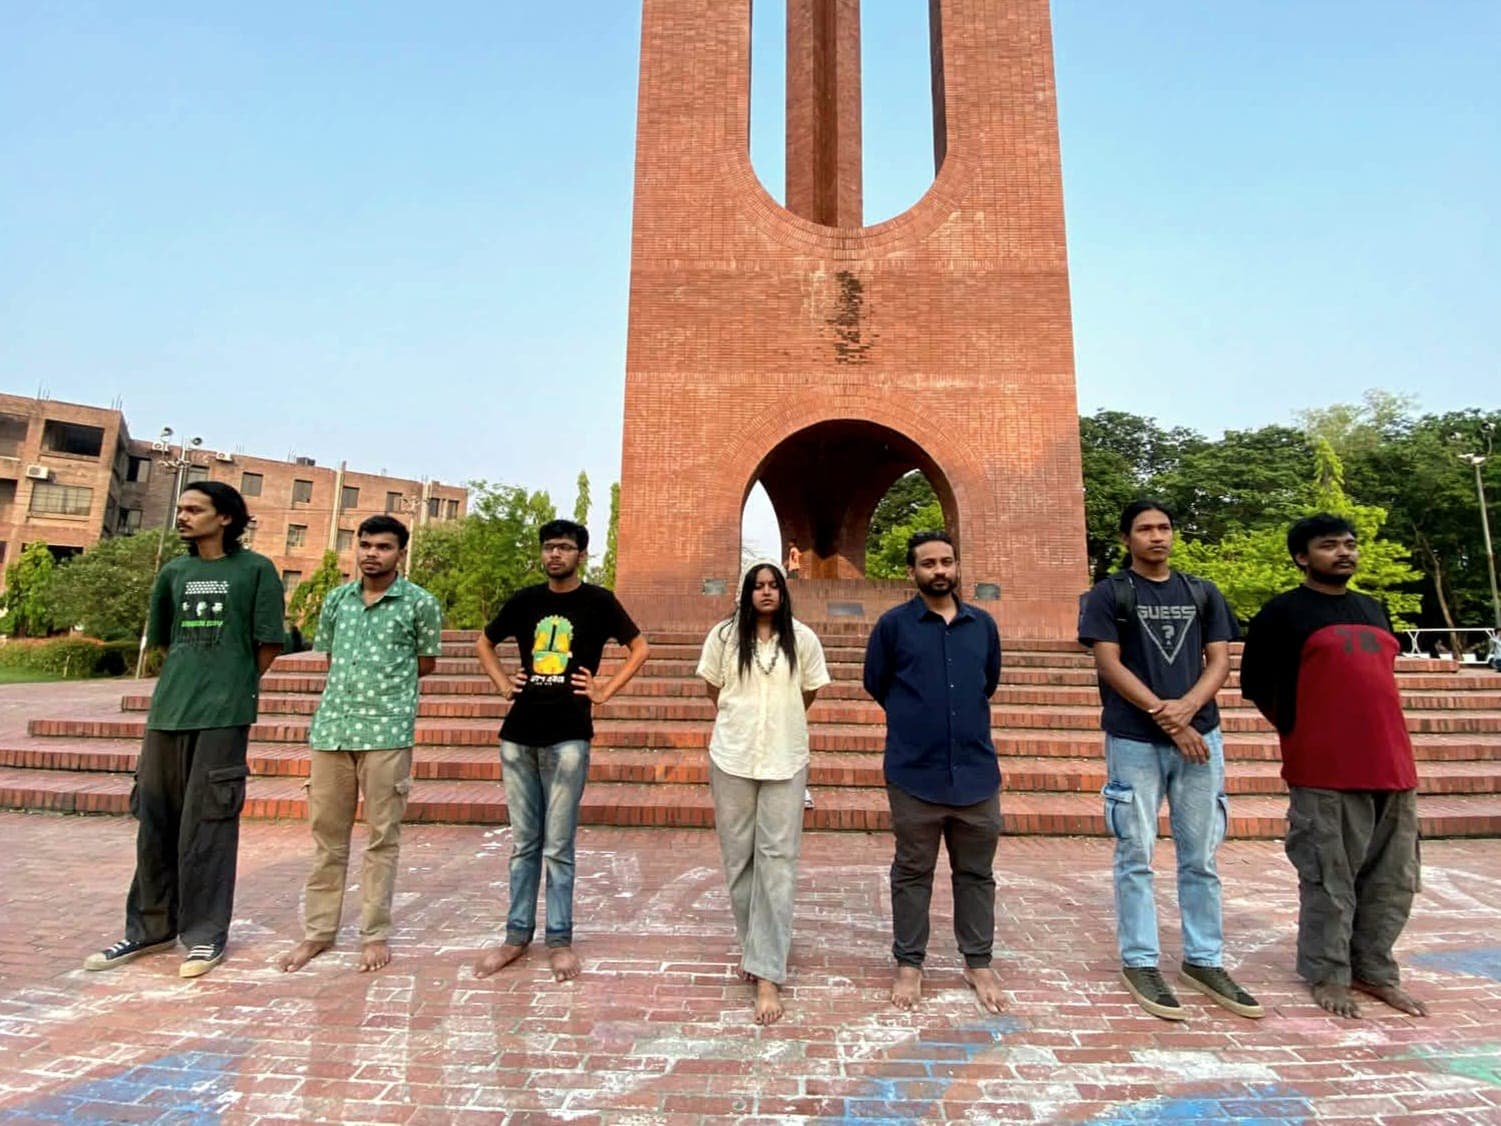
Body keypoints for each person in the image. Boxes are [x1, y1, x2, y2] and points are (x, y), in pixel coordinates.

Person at [84, 481, 284, 978]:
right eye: (181, 509)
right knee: (154, 822)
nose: (183, 516)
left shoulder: (256, 570)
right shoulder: (173, 572)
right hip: (167, 715)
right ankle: (149, 929)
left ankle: (203, 935)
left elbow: (267, 645)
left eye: (195, 509)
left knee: (208, 827)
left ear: (226, 518)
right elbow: (166, 642)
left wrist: (229, 687)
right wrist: (189, 684)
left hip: (223, 717)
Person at [1077, 499, 1261, 1021]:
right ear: (1126, 539)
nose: (1156, 537)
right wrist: (1167, 716)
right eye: (1144, 529)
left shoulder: (1201, 591)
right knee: (1135, 853)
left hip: (1201, 737)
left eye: (1163, 528)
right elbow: (1108, 663)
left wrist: (1189, 711)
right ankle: (1140, 959)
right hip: (1135, 740)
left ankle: (1204, 958)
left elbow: (1220, 659)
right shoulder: (1109, 594)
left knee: (1200, 855)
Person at [1240, 513, 1428, 1019]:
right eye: (1329, 546)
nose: (1344, 553)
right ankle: (1328, 973)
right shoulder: (1282, 613)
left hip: (1392, 766)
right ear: (1303, 556)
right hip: (1325, 770)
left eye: (1349, 544)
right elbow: (1257, 683)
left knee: (1393, 880)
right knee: (1329, 878)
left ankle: (1375, 970)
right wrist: (1304, 733)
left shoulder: (1374, 609)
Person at [471, 519, 650, 982]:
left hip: (569, 732)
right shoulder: (526, 600)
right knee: (523, 843)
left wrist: (605, 688)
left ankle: (559, 940)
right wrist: (500, 681)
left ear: (581, 555)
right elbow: (485, 642)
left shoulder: (598, 602)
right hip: (519, 734)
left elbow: (639, 647)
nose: (555, 555)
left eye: (565, 548)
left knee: (559, 845)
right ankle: (515, 937)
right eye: (549, 547)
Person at [278, 515, 442, 974]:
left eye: (384, 547)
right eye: (365, 545)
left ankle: (373, 933)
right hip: (332, 731)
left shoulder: (419, 604)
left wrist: (387, 693)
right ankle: (318, 932)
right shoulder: (336, 600)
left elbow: (425, 662)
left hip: (386, 732)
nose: (372, 553)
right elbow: (331, 658)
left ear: (401, 553)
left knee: (381, 837)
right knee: (327, 840)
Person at [863, 531, 1005, 1013]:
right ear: (912, 572)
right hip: (914, 772)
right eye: (928, 563)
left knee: (976, 873)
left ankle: (978, 961)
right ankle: (909, 964)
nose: (939, 570)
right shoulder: (893, 626)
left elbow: (987, 682)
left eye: (947, 561)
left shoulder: (982, 626)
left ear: (957, 566)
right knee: (912, 871)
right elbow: (877, 683)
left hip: (975, 771)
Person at [697, 561, 830, 1024]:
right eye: (758, 586)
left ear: (784, 592)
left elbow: (808, 693)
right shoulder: (724, 637)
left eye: (774, 586)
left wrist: (776, 723)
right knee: (739, 860)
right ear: (746, 592)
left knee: (777, 864)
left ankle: (768, 973)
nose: (766, 593)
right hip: (732, 757)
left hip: (785, 760)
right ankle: (754, 947)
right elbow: (714, 689)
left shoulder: (804, 639)